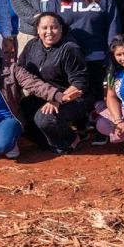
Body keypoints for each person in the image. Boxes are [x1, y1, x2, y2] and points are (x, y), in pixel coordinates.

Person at [52, 0, 120, 115]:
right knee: (76, 96)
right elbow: (51, 25)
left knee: (97, 96)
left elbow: (113, 27)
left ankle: (100, 128)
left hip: (96, 57)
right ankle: (80, 128)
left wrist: (112, 53)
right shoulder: (60, 0)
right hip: (69, 58)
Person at [17, 12, 88, 154]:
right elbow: (20, 71)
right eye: (44, 28)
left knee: (45, 118)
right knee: (17, 116)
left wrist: (57, 99)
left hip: (71, 98)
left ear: (61, 28)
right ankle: (51, 143)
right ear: (37, 30)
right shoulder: (32, 45)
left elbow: (79, 83)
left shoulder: (69, 49)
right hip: (42, 96)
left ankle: (72, 139)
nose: (49, 32)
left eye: (54, 27)